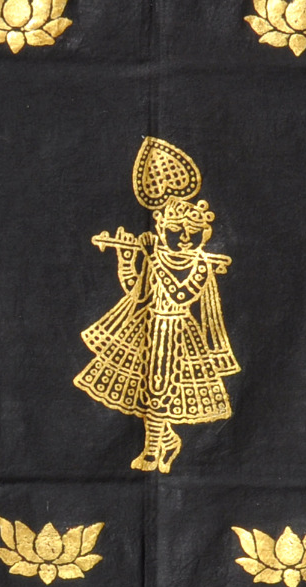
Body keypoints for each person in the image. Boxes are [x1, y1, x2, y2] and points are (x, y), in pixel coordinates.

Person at [75, 137, 239, 472]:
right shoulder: (158, 256)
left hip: (177, 331)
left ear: (205, 236)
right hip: (148, 326)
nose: (184, 238)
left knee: (162, 388)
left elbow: (180, 295)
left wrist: (153, 259)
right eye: (176, 231)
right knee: (148, 390)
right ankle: (163, 441)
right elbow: (137, 293)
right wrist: (126, 259)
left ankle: (154, 449)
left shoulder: (201, 266)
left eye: (193, 233)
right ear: (162, 229)